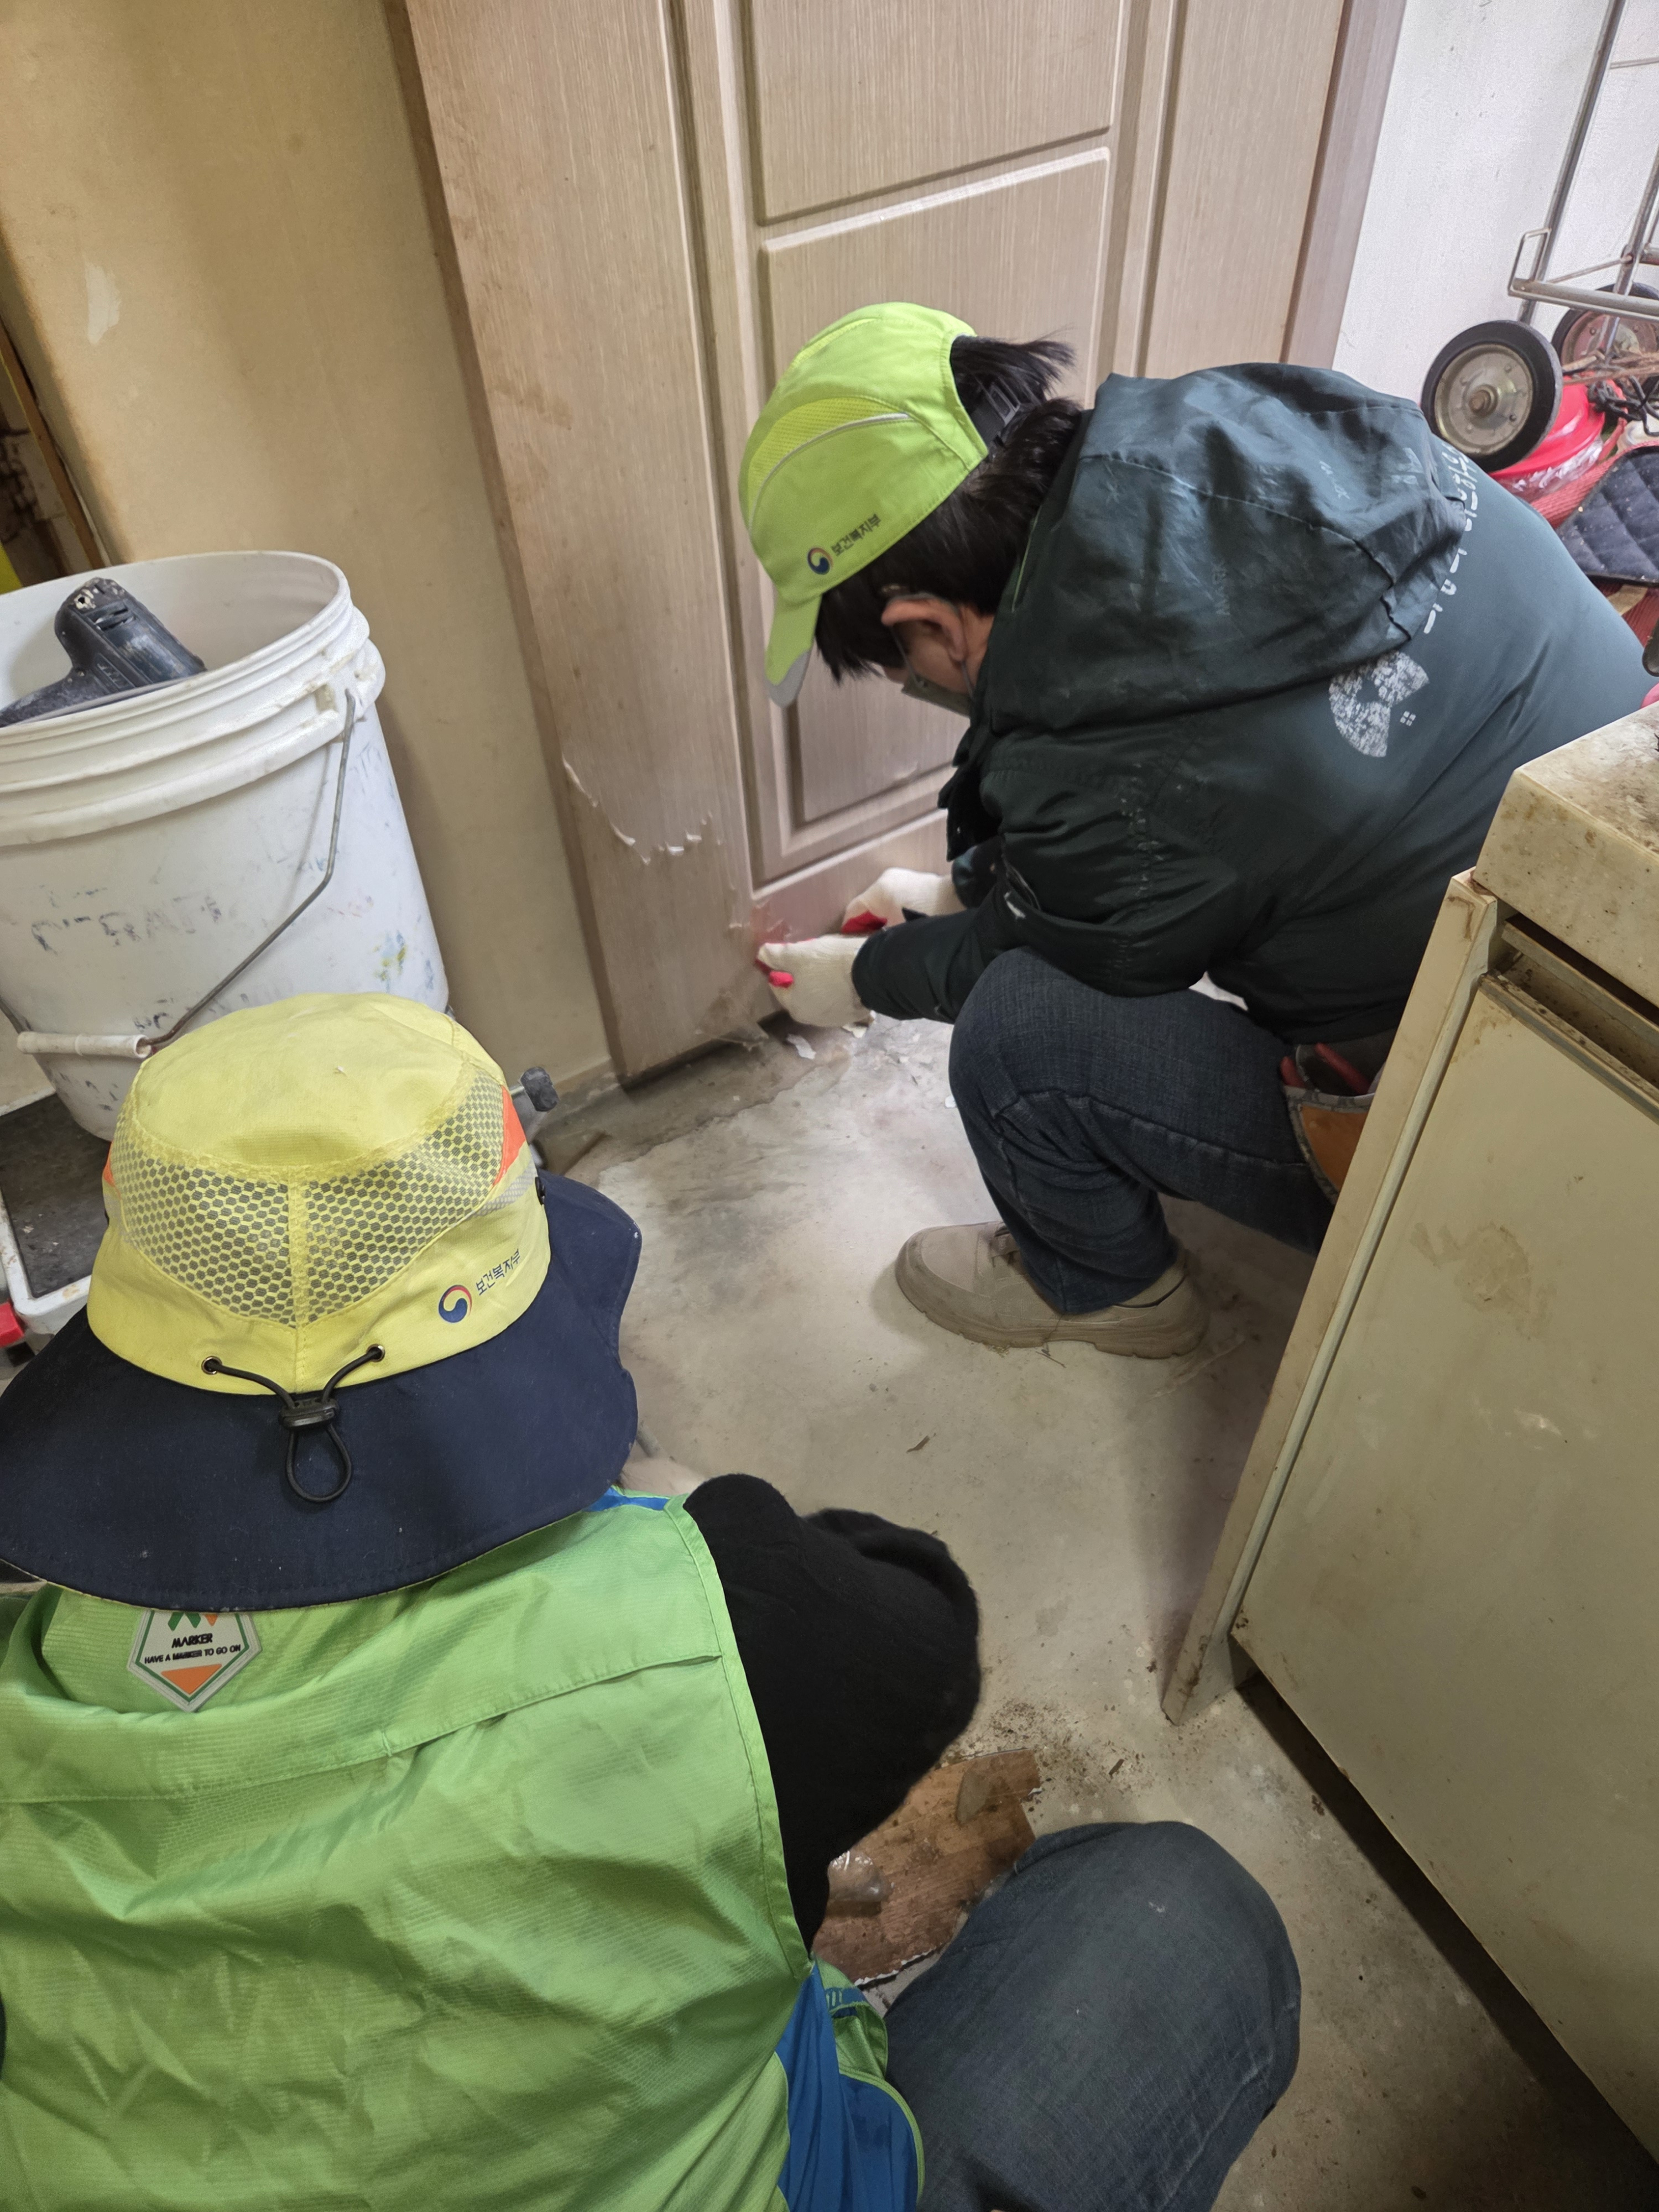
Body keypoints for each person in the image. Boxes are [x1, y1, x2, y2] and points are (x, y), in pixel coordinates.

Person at [0, 992, 1297, 2210]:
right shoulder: (720, 1636)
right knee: (1177, 1909)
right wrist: (697, 1509)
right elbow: (921, 1629)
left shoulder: (26, 1678)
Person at [743, 304, 1650, 1357]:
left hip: (1512, 1165)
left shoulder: (1124, 777)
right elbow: (1137, 789)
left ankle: (1104, 1291)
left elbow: (1060, 910)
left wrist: (862, 979)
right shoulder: (1253, 423)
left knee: (1020, 1035)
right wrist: (969, 885)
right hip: (1624, 937)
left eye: (902, 665)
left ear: (926, 625)